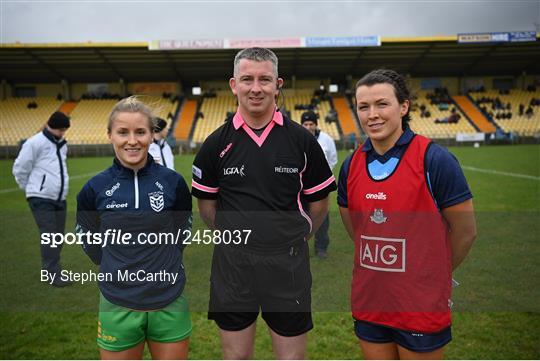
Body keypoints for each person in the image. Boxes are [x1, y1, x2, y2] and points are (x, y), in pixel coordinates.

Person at [191, 47, 336, 360]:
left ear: (277, 84)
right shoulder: (216, 143)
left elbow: (320, 202)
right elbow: (207, 208)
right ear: (234, 84)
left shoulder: (302, 141)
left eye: (264, 80)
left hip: (287, 263)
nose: (255, 88)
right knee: (236, 357)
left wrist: (298, 233)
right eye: (247, 79)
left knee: (291, 358)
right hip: (232, 265)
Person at [337, 69, 477, 360]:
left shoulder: (435, 160)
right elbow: (357, 230)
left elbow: (465, 232)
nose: (372, 114)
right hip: (370, 299)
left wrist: (432, 272)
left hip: (419, 302)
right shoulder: (350, 166)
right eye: (363, 107)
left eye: (381, 104)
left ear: (404, 106)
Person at [76, 97, 192, 359]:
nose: (132, 140)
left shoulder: (173, 182)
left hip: (169, 299)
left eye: (140, 131)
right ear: (110, 136)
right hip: (118, 303)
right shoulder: (94, 188)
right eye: (122, 132)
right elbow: (87, 237)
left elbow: (182, 230)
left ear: (152, 134)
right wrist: (112, 266)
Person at [13, 111, 72, 287]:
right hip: (40, 198)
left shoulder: (62, 145)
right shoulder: (34, 143)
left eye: (64, 130)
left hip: (59, 197)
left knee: (58, 236)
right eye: (60, 129)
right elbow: (20, 168)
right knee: (50, 234)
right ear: (51, 126)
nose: (62, 133)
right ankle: (52, 274)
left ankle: (52, 270)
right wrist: (32, 189)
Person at [300, 110, 338, 259]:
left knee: (322, 217)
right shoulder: (296, 138)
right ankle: (300, 246)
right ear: (302, 124)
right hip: (301, 186)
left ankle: (321, 247)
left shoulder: (326, 139)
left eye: (311, 124)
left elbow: (333, 159)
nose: (309, 127)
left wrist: (321, 177)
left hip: (320, 186)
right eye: (306, 124)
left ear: (316, 124)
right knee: (301, 216)